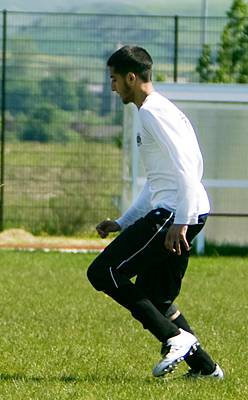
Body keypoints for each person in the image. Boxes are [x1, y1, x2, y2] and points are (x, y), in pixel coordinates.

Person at [86, 45, 223, 379]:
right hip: (182, 210)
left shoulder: (152, 112)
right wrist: (123, 221)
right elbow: (156, 181)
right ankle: (206, 369)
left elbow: (187, 167)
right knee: (157, 297)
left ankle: (175, 338)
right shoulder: (152, 110)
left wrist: (182, 220)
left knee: (103, 272)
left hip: (175, 213)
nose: (113, 86)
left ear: (131, 77)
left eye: (115, 79)